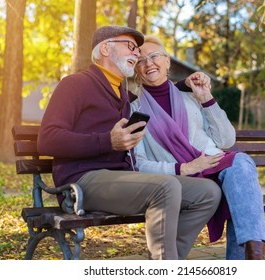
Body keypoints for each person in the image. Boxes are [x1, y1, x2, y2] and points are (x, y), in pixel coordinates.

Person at [37, 25, 222, 260]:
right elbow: (47, 140)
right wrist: (108, 142)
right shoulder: (74, 84)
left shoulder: (124, 94)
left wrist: (187, 84)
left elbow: (161, 88)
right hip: (82, 182)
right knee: (166, 187)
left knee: (208, 192)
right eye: (131, 47)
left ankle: (166, 260)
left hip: (122, 178)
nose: (137, 54)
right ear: (105, 48)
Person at [131, 35, 265, 260]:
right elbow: (140, 164)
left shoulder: (191, 98)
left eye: (154, 56)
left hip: (216, 165)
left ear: (167, 62)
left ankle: (254, 250)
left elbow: (226, 141)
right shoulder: (135, 111)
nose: (149, 63)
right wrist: (184, 167)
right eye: (141, 60)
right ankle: (253, 253)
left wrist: (206, 98)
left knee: (241, 163)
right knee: (242, 191)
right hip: (184, 180)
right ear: (136, 70)